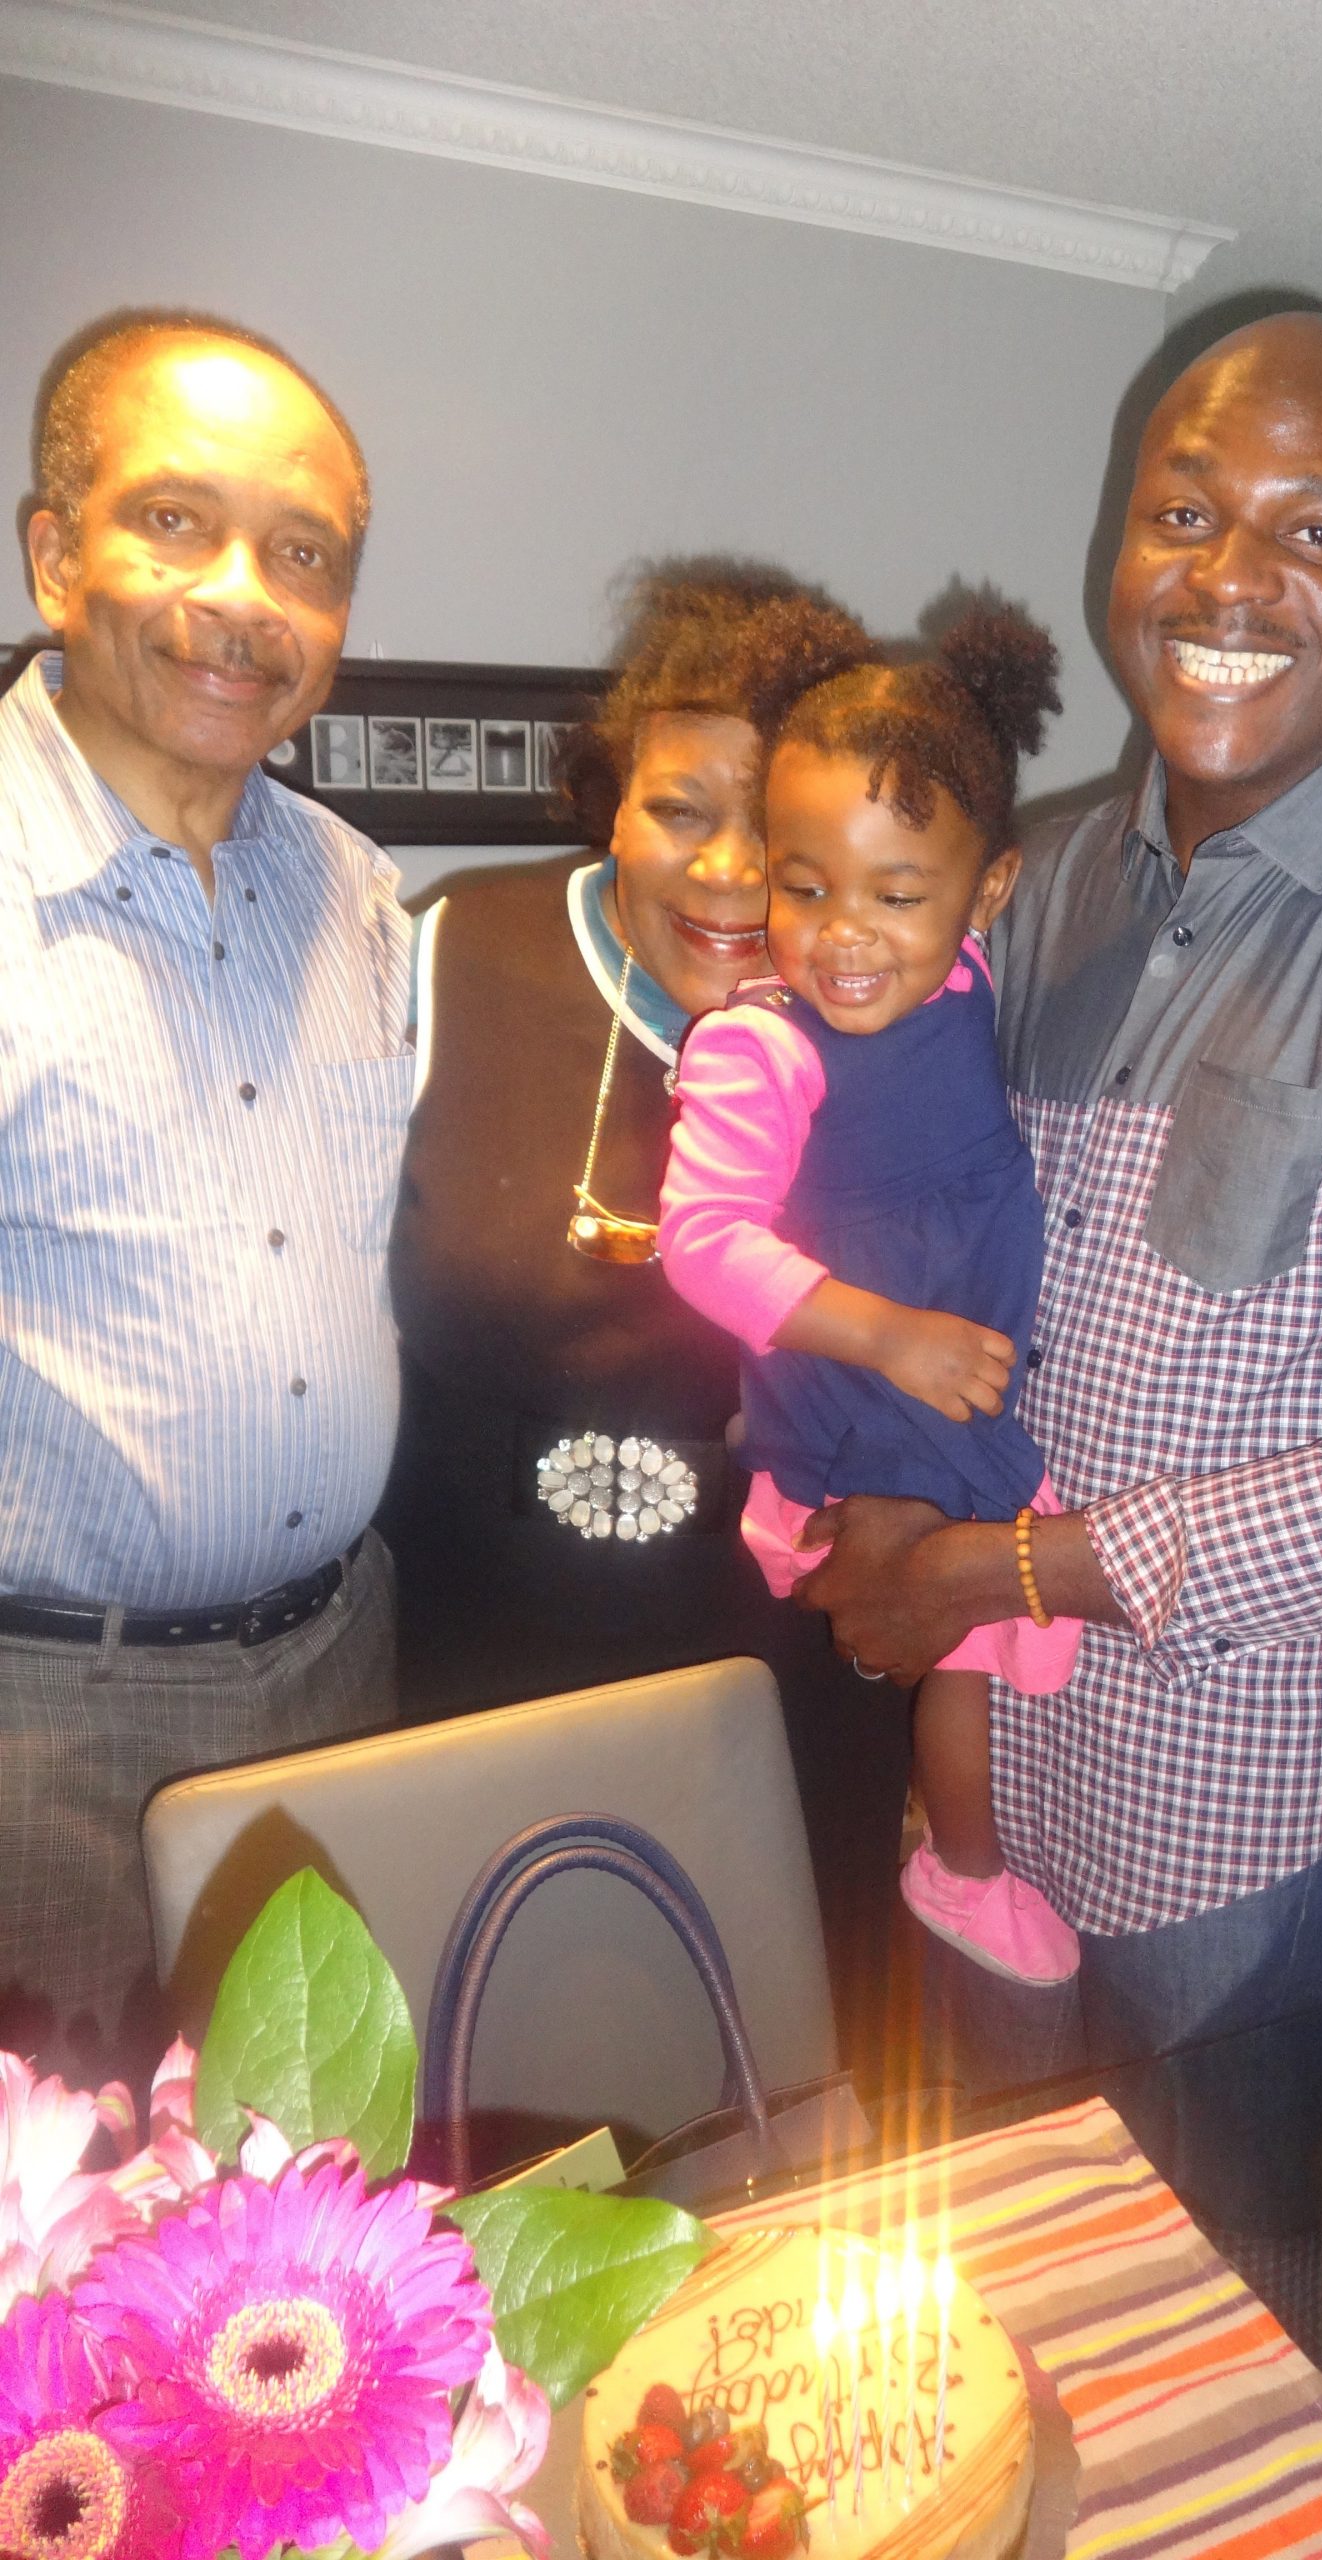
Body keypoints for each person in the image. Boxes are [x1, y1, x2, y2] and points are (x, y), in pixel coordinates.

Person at [789, 311, 1322, 2080]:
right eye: (1183, 515)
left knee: (1223, 2245)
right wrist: (882, 1504)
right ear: (1119, 552)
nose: (1231, 578)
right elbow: (918, 1219)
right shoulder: (1033, 885)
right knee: (991, 2224)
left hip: (1232, 1822)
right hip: (987, 1771)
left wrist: (988, 1570)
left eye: (1315, 531)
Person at [378, 566, 913, 2064]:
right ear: (612, 798)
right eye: (681, 809)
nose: (731, 873)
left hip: (786, 1700)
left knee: (777, 2108)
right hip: (475, 1675)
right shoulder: (449, 954)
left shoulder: (906, 1016)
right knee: (484, 2110)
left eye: (782, 830)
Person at [1, 310, 408, 2073]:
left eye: (303, 555)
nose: (245, 597)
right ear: (53, 554)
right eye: (176, 522)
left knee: (325, 2194)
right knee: (68, 2208)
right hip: (47, 1732)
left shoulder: (361, 894)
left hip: (344, 1676)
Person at [656, 594, 1081, 1988]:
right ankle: (962, 1870)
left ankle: (953, 1847)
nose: (845, 936)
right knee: (965, 1645)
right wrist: (889, 1336)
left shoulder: (964, 984)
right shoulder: (760, 1047)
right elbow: (703, 1241)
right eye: (805, 888)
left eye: (897, 897)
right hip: (859, 1415)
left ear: (986, 894)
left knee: (992, 1641)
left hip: (945, 1390)